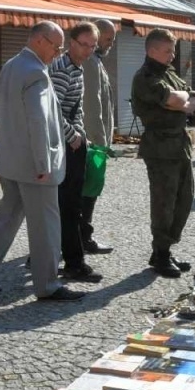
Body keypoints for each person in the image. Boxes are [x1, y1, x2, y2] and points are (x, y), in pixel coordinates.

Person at [0, 22, 83, 302]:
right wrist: (43, 164)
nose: (58, 53)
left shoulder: (11, 66)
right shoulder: (35, 73)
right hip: (34, 165)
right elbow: (38, 121)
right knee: (46, 227)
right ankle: (48, 285)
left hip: (11, 161)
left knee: (6, 220)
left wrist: (7, 143)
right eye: (56, 47)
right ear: (40, 41)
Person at [132, 28, 195, 277]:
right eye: (168, 50)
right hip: (160, 147)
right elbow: (172, 99)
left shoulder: (168, 72)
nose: (173, 55)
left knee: (185, 198)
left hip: (180, 144)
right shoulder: (145, 76)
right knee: (164, 202)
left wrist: (185, 101)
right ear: (152, 51)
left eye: (173, 50)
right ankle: (160, 254)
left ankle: (166, 248)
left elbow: (191, 96)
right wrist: (183, 102)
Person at [51, 21, 104, 284]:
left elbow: (77, 109)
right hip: (61, 144)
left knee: (70, 205)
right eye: (84, 45)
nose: (88, 50)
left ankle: (59, 255)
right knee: (68, 206)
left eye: (93, 46)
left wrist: (81, 134)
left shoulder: (78, 67)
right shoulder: (61, 69)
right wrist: (72, 136)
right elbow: (54, 110)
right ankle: (73, 262)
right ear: (71, 42)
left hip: (73, 140)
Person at [80, 18, 117, 256]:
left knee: (87, 191)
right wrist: (101, 144)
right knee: (89, 190)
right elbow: (92, 106)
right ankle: (84, 237)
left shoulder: (96, 61)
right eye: (108, 38)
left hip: (94, 141)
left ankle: (81, 235)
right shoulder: (91, 64)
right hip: (94, 144)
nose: (111, 43)